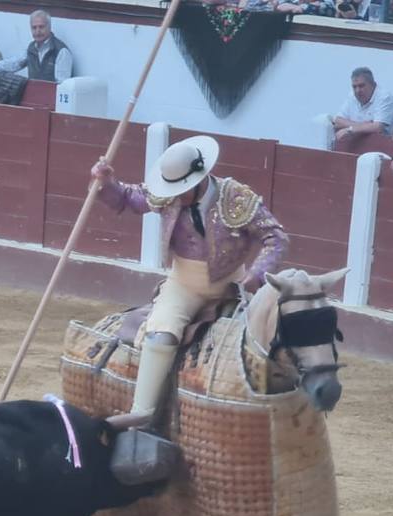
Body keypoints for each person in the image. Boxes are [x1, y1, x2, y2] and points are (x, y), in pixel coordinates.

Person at [90, 137, 288, 429]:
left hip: (233, 286)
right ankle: (142, 412)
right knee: (160, 335)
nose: (175, 197)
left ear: (200, 178)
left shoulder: (235, 196)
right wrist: (107, 183)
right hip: (183, 285)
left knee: (264, 343)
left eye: (182, 191)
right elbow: (128, 199)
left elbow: (276, 237)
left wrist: (255, 277)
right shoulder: (167, 192)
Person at [0, 10, 73, 82]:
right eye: (34, 28)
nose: (37, 31)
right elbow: (13, 64)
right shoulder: (32, 48)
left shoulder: (61, 51)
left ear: (49, 27)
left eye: (41, 27)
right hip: (34, 97)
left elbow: (62, 85)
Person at [333, 67, 393, 143]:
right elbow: (337, 121)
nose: (357, 91)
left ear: (373, 85)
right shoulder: (352, 96)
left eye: (361, 86)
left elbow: (378, 128)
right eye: (354, 87)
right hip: (357, 144)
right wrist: (363, 125)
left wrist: (350, 129)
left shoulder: (385, 97)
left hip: (382, 146)